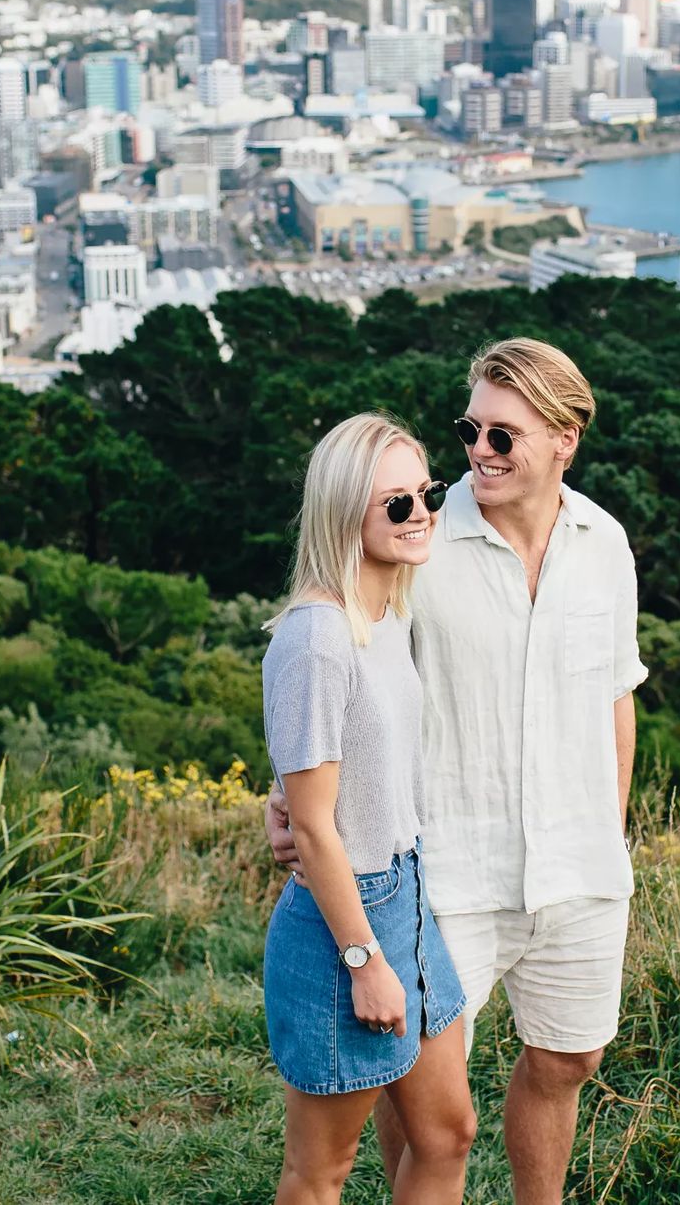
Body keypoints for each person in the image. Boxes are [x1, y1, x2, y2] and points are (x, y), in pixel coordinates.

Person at [268, 339, 646, 1205]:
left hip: (581, 870)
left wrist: (610, 834)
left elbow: (617, 692)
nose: (478, 452)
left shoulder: (606, 544)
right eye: (471, 430)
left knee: (569, 1057)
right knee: (424, 1096)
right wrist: (285, 791)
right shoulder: (422, 539)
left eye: (503, 436)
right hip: (447, 873)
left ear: (564, 440)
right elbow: (336, 665)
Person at [261, 412, 476, 1205]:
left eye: (427, 493)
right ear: (342, 511)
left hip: (406, 898)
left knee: (448, 1134)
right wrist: (363, 962)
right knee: (322, 1174)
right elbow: (316, 829)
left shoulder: (388, 615)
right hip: (344, 925)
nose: (418, 513)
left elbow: (320, 772)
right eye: (394, 503)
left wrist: (283, 794)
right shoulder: (319, 636)